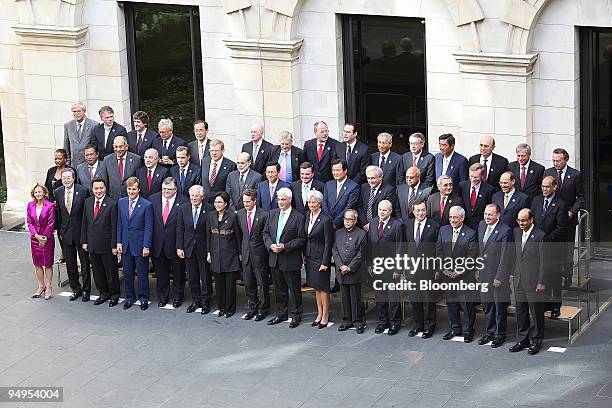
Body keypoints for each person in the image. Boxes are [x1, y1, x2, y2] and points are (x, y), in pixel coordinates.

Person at [263, 188, 307, 328]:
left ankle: (296, 315)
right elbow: (265, 234)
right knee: (279, 289)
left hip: (290, 259)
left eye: (283, 199)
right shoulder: (272, 214)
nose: (280, 202)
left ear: (289, 200)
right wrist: (270, 245)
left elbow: (301, 239)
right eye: (278, 199)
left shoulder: (299, 217)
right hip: (274, 258)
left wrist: (285, 246)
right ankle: (281, 314)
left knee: (294, 290)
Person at [544, 147, 585, 288]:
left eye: (558, 161)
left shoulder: (575, 175)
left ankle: (567, 276)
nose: (556, 163)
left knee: (567, 250)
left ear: (565, 160)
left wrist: (572, 212)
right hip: (552, 219)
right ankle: (552, 275)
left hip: (568, 219)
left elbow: (580, 198)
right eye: (554, 160)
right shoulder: (547, 173)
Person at [437, 206, 479, 343]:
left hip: (465, 277)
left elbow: (471, 257)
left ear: (462, 218)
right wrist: (445, 270)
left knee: (467, 306)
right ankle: (455, 329)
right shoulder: (443, 230)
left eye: (455, 217)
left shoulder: (471, 233)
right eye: (450, 217)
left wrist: (458, 272)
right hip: (448, 276)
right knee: (452, 304)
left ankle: (468, 331)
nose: (452, 220)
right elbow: (439, 252)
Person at [510, 208, 547, 356]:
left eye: (524, 220)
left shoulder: (540, 236)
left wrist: (541, 281)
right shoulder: (516, 232)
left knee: (536, 313)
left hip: (534, 281)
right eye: (519, 220)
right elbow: (515, 255)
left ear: (531, 220)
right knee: (521, 312)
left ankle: (537, 340)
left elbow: (544, 261)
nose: (521, 223)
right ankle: (523, 339)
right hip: (519, 279)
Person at [476, 204, 514, 348]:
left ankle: (500, 335)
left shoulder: (506, 231)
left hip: (497, 277)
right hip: (484, 275)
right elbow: (481, 250)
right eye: (485, 214)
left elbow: (506, 256)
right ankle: (490, 332)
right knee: (487, 306)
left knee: (499, 307)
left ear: (498, 215)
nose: (487, 217)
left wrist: (499, 277)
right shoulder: (481, 225)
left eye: (490, 215)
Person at [531, 176, 568, 319]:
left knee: (554, 278)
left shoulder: (561, 204)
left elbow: (561, 228)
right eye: (543, 186)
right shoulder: (537, 200)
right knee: (542, 276)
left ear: (554, 187)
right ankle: (545, 303)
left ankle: (556, 306)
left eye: (547, 186)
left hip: (553, 247)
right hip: (537, 247)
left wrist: (546, 238)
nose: (544, 189)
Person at [81, 178, 120, 307]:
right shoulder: (87, 202)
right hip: (92, 244)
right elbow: (85, 223)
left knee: (111, 273)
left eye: (101, 188)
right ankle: (103, 293)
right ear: (92, 189)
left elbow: (115, 226)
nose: (99, 191)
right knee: (97, 272)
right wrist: (84, 241)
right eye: (96, 188)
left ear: (105, 188)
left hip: (107, 245)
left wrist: (114, 245)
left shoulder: (112, 203)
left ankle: (114, 295)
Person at [404, 200, 440, 338]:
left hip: (428, 268)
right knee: (415, 299)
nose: (421, 213)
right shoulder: (406, 225)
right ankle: (418, 325)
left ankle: (429, 326)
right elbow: (403, 246)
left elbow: (438, 248)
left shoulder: (434, 226)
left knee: (428, 299)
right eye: (418, 210)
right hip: (411, 269)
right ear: (413, 211)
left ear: (427, 210)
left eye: (423, 210)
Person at [54, 168, 91, 301]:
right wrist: (60, 232)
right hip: (66, 233)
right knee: (70, 264)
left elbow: (87, 214)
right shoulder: (57, 192)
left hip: (81, 233)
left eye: (69, 178)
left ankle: (86, 290)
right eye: (64, 178)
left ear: (73, 178)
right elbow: (59, 215)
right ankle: (76, 289)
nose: (66, 180)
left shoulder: (82, 191)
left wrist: (86, 234)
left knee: (85, 263)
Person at [117, 177, 153, 311]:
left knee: (142, 273)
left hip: (140, 244)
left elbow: (149, 227)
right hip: (126, 244)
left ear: (139, 190)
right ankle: (129, 297)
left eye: (134, 189)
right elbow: (119, 223)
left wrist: (146, 245)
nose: (131, 192)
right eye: (129, 189)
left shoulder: (146, 205)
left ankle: (144, 298)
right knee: (127, 273)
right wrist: (119, 241)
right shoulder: (121, 202)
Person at [368, 199, 404, 336]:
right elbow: (370, 244)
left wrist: (398, 268)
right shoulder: (372, 222)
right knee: (380, 296)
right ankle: (383, 322)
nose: (381, 212)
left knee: (393, 297)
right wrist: (369, 263)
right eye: (379, 209)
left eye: (384, 210)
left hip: (392, 267)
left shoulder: (397, 225)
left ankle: (395, 323)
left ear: (390, 211)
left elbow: (401, 248)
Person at [177, 185, 214, 314]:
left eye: (197, 195)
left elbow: (211, 232)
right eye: (192, 195)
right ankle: (196, 301)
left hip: (203, 248)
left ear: (202, 197)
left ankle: (206, 302)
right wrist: (179, 247)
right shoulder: (183, 208)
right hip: (188, 248)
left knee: (205, 277)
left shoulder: (209, 209)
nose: (194, 198)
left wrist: (210, 250)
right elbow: (180, 228)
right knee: (192, 277)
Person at [150, 177, 186, 308]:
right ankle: (163, 297)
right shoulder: (153, 199)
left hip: (175, 245)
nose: (166, 192)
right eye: (164, 189)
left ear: (175, 189)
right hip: (158, 244)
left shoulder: (183, 201)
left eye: (169, 189)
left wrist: (180, 246)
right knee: (161, 273)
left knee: (178, 274)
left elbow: (184, 227)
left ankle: (178, 297)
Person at [237, 188, 271, 321]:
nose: (245, 204)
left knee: (262, 283)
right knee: (248, 282)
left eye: (248, 202)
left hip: (259, 254)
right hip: (246, 253)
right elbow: (240, 235)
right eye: (244, 201)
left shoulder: (264, 215)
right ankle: (252, 307)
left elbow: (265, 235)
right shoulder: (239, 214)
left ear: (254, 200)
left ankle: (263, 308)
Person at [207, 191, 241, 318]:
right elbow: (208, 235)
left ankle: (230, 308)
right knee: (219, 284)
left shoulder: (232, 216)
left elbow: (238, 236)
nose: (217, 204)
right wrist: (208, 252)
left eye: (220, 202)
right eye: (215, 202)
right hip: (216, 255)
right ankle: (221, 307)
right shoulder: (211, 216)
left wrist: (240, 254)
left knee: (230, 284)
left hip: (230, 255)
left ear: (226, 203)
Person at [333, 209, 367, 334]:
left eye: (350, 219)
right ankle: (346, 321)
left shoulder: (362, 233)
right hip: (341, 270)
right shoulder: (338, 233)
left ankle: (358, 322)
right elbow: (335, 250)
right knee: (344, 298)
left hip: (355, 271)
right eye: (345, 219)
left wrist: (350, 267)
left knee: (356, 298)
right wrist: (341, 265)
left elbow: (361, 253)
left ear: (355, 220)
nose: (347, 221)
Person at [304, 190, 334, 328]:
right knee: (316, 287)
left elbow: (328, 242)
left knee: (323, 288)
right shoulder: (307, 215)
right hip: (310, 256)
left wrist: (325, 262)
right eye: (309, 202)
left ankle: (325, 315)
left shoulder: (326, 219)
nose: (311, 204)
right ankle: (319, 313)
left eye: (313, 202)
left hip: (321, 258)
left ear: (319, 203)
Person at [26, 183, 55, 300]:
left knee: (48, 263)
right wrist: (36, 236)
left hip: (47, 238)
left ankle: (48, 287)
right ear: (33, 194)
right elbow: (29, 222)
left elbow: (51, 222)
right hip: (35, 239)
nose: (38, 194)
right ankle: (41, 285)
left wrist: (45, 237)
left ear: (44, 193)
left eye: (40, 192)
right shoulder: (30, 205)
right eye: (36, 192)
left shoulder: (50, 205)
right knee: (37, 263)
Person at [44, 148, 73, 262]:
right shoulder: (51, 171)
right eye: (55, 158)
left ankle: (69, 253)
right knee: (58, 230)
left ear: (65, 158)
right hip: (53, 207)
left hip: (65, 205)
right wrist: (49, 201)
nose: (57, 160)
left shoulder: (69, 171)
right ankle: (64, 253)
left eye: (60, 158)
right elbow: (47, 187)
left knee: (65, 228)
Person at [322, 159, 360, 229]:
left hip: (342, 225)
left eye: (338, 170)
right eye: (333, 170)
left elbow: (349, 206)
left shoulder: (353, 186)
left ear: (345, 170)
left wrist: (336, 223)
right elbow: (324, 203)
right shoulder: (328, 184)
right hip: (327, 224)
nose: (335, 173)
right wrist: (328, 221)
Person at [102, 135, 141, 200]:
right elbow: (105, 181)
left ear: (126, 146)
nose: (118, 149)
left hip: (130, 199)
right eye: (116, 147)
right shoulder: (107, 160)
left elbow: (138, 181)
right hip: (113, 199)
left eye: (120, 147)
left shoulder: (136, 159)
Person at [458, 163, 494, 230]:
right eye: (471, 176)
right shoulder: (462, 186)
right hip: (464, 224)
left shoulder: (489, 190)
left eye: (476, 177)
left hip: (480, 225)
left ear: (482, 176)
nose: (473, 179)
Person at [63, 101, 98, 168]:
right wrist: (67, 165)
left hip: (89, 165)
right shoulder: (68, 125)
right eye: (74, 111)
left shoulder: (94, 125)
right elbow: (66, 147)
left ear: (84, 111)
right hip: (74, 165)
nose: (76, 113)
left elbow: (96, 147)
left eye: (79, 111)